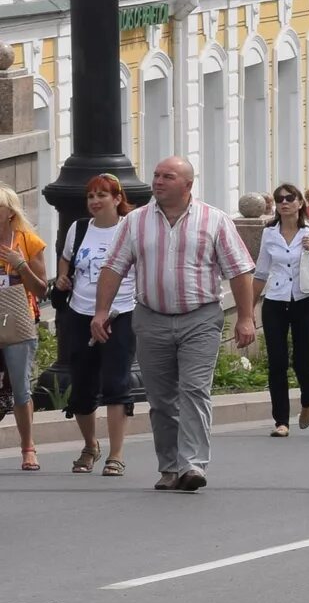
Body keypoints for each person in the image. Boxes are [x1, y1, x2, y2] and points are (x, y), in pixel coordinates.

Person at [91, 155, 257, 494]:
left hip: (200, 317)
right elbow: (113, 267)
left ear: (187, 185)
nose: (158, 181)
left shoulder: (214, 220)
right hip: (151, 318)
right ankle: (169, 467)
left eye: (167, 176)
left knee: (194, 389)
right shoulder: (135, 222)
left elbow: (240, 270)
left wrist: (245, 317)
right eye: (156, 175)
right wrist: (101, 311)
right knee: (162, 398)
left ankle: (192, 464)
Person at [53, 174, 136, 476]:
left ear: (117, 199)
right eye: (91, 196)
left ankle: (116, 453)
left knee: (116, 383)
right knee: (82, 387)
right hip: (80, 313)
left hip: (120, 313)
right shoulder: (79, 228)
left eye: (102, 195)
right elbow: (67, 259)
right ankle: (90, 445)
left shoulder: (129, 228)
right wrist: (63, 277)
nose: (95, 201)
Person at [253, 185, 309, 438]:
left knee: (304, 362)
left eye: (290, 199)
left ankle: (308, 401)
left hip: (304, 301)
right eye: (280, 200)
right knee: (277, 362)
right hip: (276, 301)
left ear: (300, 203)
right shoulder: (269, 233)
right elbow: (260, 272)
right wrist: (247, 311)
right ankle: (281, 420)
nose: (284, 203)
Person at [0, 186, 41, 472]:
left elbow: (41, 287)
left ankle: (28, 448)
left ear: (9, 213)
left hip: (18, 319)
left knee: (20, 386)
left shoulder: (28, 241)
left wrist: (20, 265)